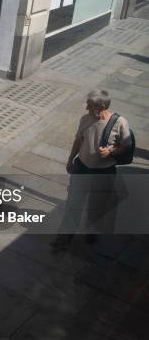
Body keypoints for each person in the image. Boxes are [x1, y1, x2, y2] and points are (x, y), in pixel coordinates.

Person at [51, 90, 132, 250]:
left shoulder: (120, 122)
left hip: (104, 171)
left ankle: (92, 230)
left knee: (97, 204)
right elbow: (78, 140)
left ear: (100, 106)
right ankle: (66, 236)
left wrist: (111, 151)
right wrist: (70, 160)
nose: (86, 107)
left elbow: (126, 145)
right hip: (82, 167)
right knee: (74, 203)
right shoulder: (85, 119)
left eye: (89, 104)